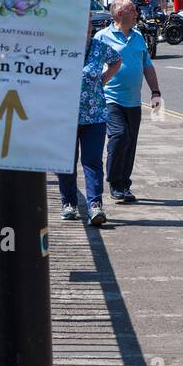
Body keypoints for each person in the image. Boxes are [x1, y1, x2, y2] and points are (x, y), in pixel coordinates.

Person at [56, 14, 123, 225]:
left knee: (92, 161)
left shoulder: (98, 47)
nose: (85, 29)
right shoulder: (61, 48)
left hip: (94, 115)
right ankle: (69, 203)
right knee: (66, 162)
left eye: (87, 25)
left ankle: (95, 206)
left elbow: (116, 61)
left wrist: (103, 79)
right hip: (64, 115)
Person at [96, 0, 163, 203]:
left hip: (133, 101)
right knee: (119, 136)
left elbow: (147, 66)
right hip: (110, 98)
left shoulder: (138, 37)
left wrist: (155, 91)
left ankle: (124, 184)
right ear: (118, 15)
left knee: (130, 143)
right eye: (131, 10)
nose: (136, 13)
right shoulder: (102, 37)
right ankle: (115, 182)